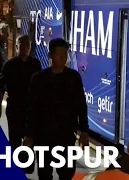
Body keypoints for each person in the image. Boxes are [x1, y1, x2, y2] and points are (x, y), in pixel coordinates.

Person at [24, 38, 89, 180]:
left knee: (66, 173)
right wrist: (29, 134)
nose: (62, 58)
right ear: (51, 55)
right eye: (59, 54)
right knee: (44, 173)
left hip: (65, 135)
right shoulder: (39, 78)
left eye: (65, 54)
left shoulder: (73, 77)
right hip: (43, 136)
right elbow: (32, 108)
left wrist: (84, 130)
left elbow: (81, 105)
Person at [0, 35, 42, 150]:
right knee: (15, 140)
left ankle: (25, 164)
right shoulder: (10, 65)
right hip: (15, 108)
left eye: (27, 46)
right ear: (17, 46)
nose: (25, 48)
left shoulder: (35, 64)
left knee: (29, 140)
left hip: (30, 109)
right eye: (22, 46)